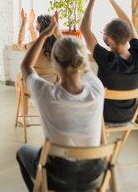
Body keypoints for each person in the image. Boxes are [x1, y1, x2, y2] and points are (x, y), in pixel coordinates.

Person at [16, 12, 105, 191]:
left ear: (56, 64)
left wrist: (45, 34)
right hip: (93, 175)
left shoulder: (45, 94)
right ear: (82, 62)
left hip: (58, 176)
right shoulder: (97, 88)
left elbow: (26, 67)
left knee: (23, 152)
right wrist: (57, 34)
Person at [80, 0, 138, 123]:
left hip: (103, 116)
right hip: (129, 116)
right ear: (127, 36)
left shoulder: (107, 60)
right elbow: (130, 25)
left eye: (103, 33)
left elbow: (84, 29)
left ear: (109, 40)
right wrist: (112, 1)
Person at [15, 7, 61, 124]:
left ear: (39, 28)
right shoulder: (59, 47)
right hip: (52, 87)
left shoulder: (31, 45)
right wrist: (31, 25)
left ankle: (24, 118)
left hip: (32, 88)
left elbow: (20, 43)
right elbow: (40, 41)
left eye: (36, 24)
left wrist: (24, 24)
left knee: (19, 79)